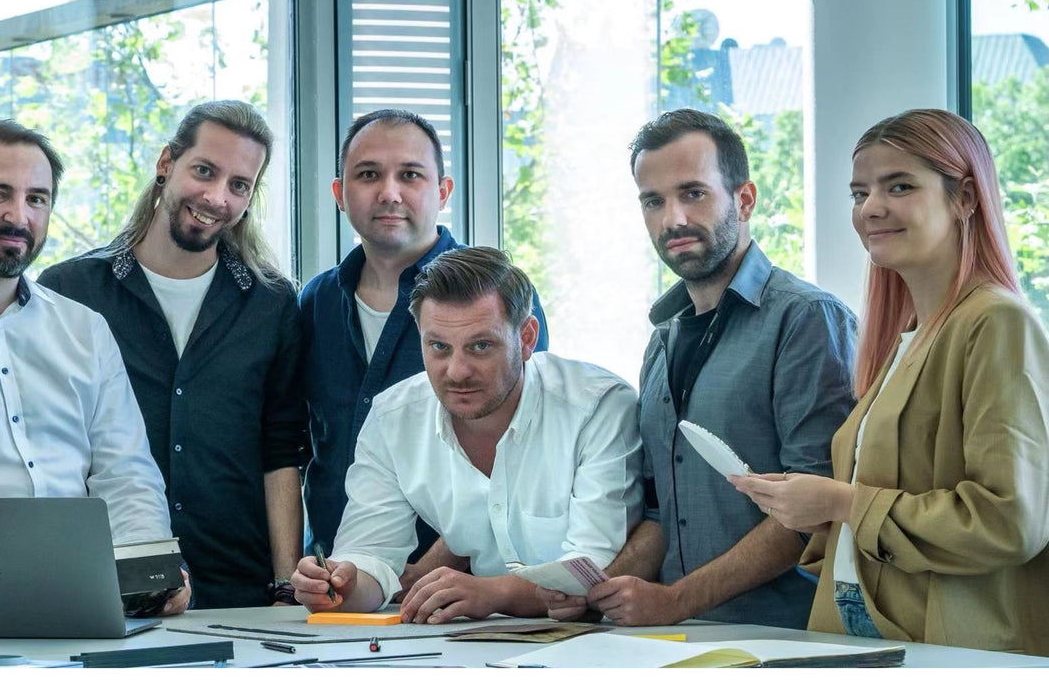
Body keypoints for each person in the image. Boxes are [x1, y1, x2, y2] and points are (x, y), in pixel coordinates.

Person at [731, 109, 1049, 655]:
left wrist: (842, 503)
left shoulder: (996, 322)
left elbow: (1009, 521)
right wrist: (811, 507)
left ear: (965, 197)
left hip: (948, 647)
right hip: (865, 628)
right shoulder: (906, 337)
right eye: (860, 193)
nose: (871, 208)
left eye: (899, 186)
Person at [555, 109, 857, 629]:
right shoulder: (662, 341)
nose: (672, 219)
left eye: (693, 193)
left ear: (744, 200)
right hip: (681, 640)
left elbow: (813, 511)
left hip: (787, 641)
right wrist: (592, 593)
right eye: (653, 201)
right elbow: (660, 513)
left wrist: (676, 602)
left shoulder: (806, 319)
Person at [0, 120, 188, 616]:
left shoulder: (83, 329)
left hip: (80, 596)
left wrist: (149, 576)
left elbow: (125, 471)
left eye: (37, 199)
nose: (18, 216)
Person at [39, 100, 307, 609]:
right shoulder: (70, 292)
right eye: (204, 171)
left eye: (239, 185)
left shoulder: (271, 303)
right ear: (166, 163)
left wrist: (286, 586)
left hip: (239, 589)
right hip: (105, 586)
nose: (217, 197)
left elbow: (280, 454)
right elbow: (48, 447)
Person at [291, 247, 641, 623]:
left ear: (526, 338)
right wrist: (338, 587)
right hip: (472, 641)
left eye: (480, 346)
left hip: (605, 637)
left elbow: (590, 567)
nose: (457, 372)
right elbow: (369, 556)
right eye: (439, 347)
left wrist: (495, 593)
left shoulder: (597, 406)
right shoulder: (394, 417)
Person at [299, 109, 549, 596]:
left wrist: (414, 575)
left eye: (410, 175)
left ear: (443, 191)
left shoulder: (495, 299)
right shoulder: (316, 301)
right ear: (339, 194)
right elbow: (298, 444)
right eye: (368, 175)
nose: (389, 192)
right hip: (345, 583)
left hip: (468, 590)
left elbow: (524, 452)